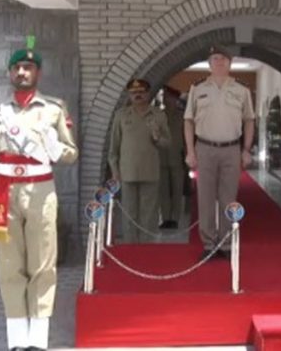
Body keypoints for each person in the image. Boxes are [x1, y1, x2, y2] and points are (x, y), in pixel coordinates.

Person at [0, 42, 78, 351]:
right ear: (10, 73)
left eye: (28, 68)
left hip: (40, 189)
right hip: (4, 192)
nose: (22, 72)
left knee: (42, 263)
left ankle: (37, 340)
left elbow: (71, 153)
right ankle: (16, 340)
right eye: (17, 68)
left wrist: (54, 148)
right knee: (9, 266)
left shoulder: (53, 108)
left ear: (38, 72)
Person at [184, 45, 255, 260]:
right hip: (205, 148)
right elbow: (188, 120)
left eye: (223, 59)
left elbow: (249, 120)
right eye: (215, 58)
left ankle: (225, 244)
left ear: (230, 63)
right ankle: (208, 244)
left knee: (228, 197)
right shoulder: (197, 88)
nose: (219, 62)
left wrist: (246, 149)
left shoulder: (241, 90)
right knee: (205, 198)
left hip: (231, 149)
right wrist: (190, 151)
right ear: (209, 63)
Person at [108, 78, 170, 243]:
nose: (138, 96)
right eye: (134, 93)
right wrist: (115, 172)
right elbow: (113, 148)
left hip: (150, 172)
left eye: (141, 92)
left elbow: (167, 143)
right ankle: (130, 249)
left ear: (148, 94)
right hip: (127, 173)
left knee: (149, 216)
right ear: (129, 95)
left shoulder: (158, 114)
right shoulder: (121, 115)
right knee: (129, 214)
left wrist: (157, 138)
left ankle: (147, 250)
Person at [158, 85, 186, 229]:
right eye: (166, 97)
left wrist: (188, 155)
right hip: (161, 157)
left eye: (169, 97)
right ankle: (166, 217)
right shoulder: (159, 115)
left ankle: (175, 218)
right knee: (163, 190)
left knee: (177, 189)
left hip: (177, 157)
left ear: (175, 99)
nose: (167, 100)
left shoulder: (182, 116)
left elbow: (186, 137)